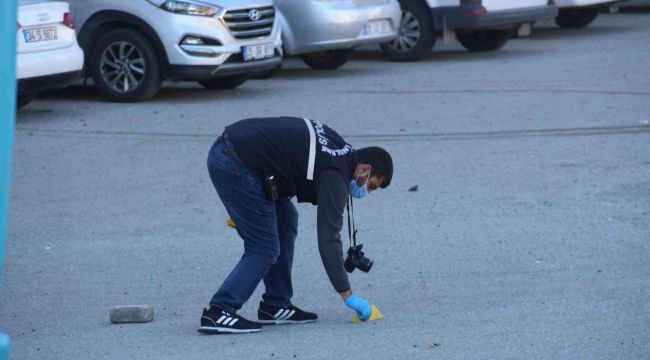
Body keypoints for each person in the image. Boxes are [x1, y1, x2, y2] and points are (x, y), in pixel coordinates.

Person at [199, 116, 393, 334]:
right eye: (372, 186)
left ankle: (276, 304)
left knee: (286, 220)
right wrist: (348, 295)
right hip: (236, 162)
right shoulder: (335, 176)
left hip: (242, 153)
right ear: (364, 170)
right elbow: (329, 238)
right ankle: (219, 310)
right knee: (264, 247)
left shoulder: (342, 151)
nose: (365, 191)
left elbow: (290, 162)